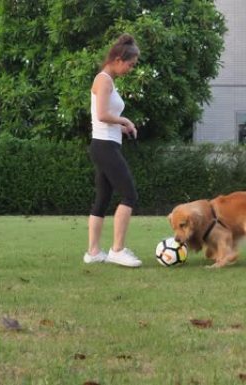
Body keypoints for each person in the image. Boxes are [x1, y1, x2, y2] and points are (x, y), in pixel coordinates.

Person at [83, 34, 142, 267]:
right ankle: (117, 250)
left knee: (103, 198)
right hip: (105, 146)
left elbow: (106, 116)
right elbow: (102, 115)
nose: (130, 68)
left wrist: (121, 126)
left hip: (106, 144)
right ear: (118, 58)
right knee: (130, 195)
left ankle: (94, 252)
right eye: (130, 64)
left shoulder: (107, 80)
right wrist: (125, 121)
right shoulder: (104, 80)